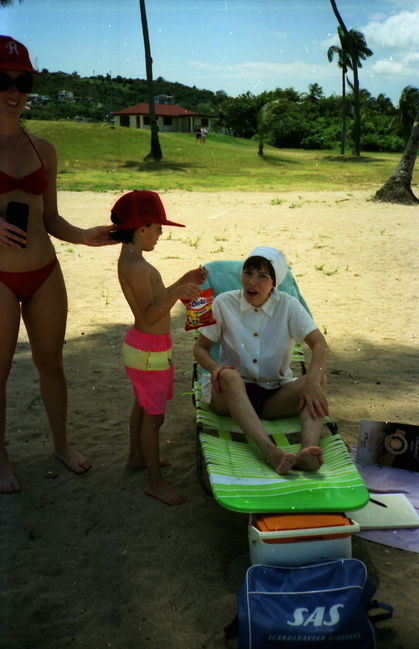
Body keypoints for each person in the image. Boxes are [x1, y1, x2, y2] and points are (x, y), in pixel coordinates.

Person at [0, 36, 114, 493]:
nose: (13, 92)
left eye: (23, 82)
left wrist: (83, 236)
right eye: (3, 81)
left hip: (45, 272)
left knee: (52, 364)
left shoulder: (43, 147)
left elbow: (49, 217)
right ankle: (2, 455)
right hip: (2, 278)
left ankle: (61, 444)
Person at [193, 246, 329, 475]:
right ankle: (270, 450)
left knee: (318, 380)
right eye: (248, 273)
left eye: (262, 276)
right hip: (228, 395)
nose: (251, 282)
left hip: (273, 397)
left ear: (274, 283)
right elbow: (200, 349)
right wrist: (215, 368)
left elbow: (319, 344)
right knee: (229, 374)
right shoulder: (224, 303)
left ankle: (307, 450)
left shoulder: (288, 305)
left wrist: (313, 381)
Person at [110, 190, 207, 506]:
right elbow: (148, 314)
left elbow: (156, 300)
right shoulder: (137, 268)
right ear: (141, 229)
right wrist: (178, 291)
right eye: (158, 228)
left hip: (145, 348)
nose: (161, 234)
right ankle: (155, 482)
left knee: (141, 405)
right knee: (154, 418)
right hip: (149, 352)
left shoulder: (135, 260)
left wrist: (182, 282)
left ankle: (137, 457)